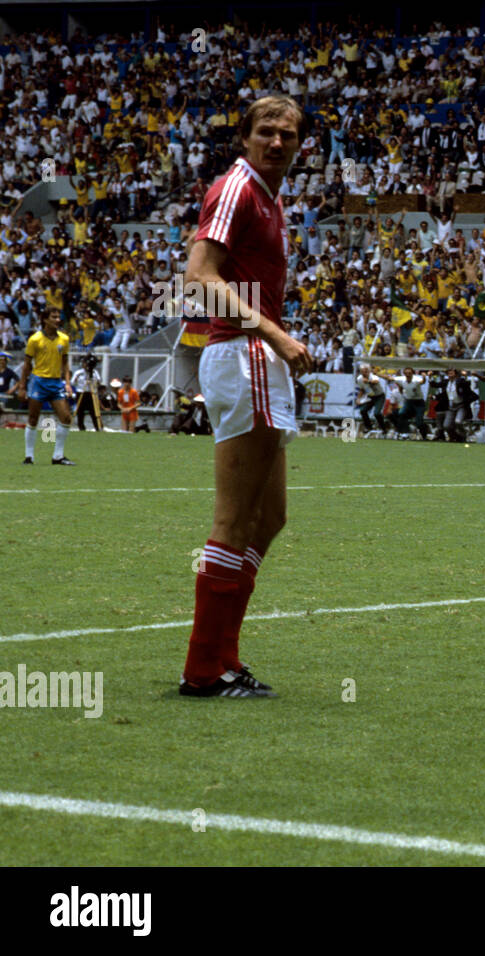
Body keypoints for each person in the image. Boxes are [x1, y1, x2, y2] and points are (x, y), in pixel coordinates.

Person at [179, 94, 312, 699]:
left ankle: (223, 659)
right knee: (234, 520)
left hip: (251, 358)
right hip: (243, 354)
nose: (277, 142)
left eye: (288, 134)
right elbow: (199, 279)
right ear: (246, 136)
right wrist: (274, 333)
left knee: (270, 516)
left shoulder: (268, 195)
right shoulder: (238, 188)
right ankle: (205, 669)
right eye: (266, 131)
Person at [18, 311, 76, 465]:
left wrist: (68, 383)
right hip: (39, 382)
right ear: (45, 319)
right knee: (33, 418)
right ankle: (29, 456)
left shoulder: (64, 339)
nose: (58, 319)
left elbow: (65, 362)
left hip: (56, 383)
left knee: (66, 418)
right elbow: (27, 365)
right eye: (54, 317)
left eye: (58, 317)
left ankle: (58, 456)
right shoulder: (35, 339)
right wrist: (22, 386)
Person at [71, 355, 102, 431]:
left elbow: (99, 381)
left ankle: (97, 427)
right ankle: (81, 427)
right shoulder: (79, 372)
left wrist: (93, 381)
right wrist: (77, 379)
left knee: (94, 411)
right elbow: (72, 382)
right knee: (80, 411)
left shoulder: (95, 372)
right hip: (81, 392)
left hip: (91, 393)